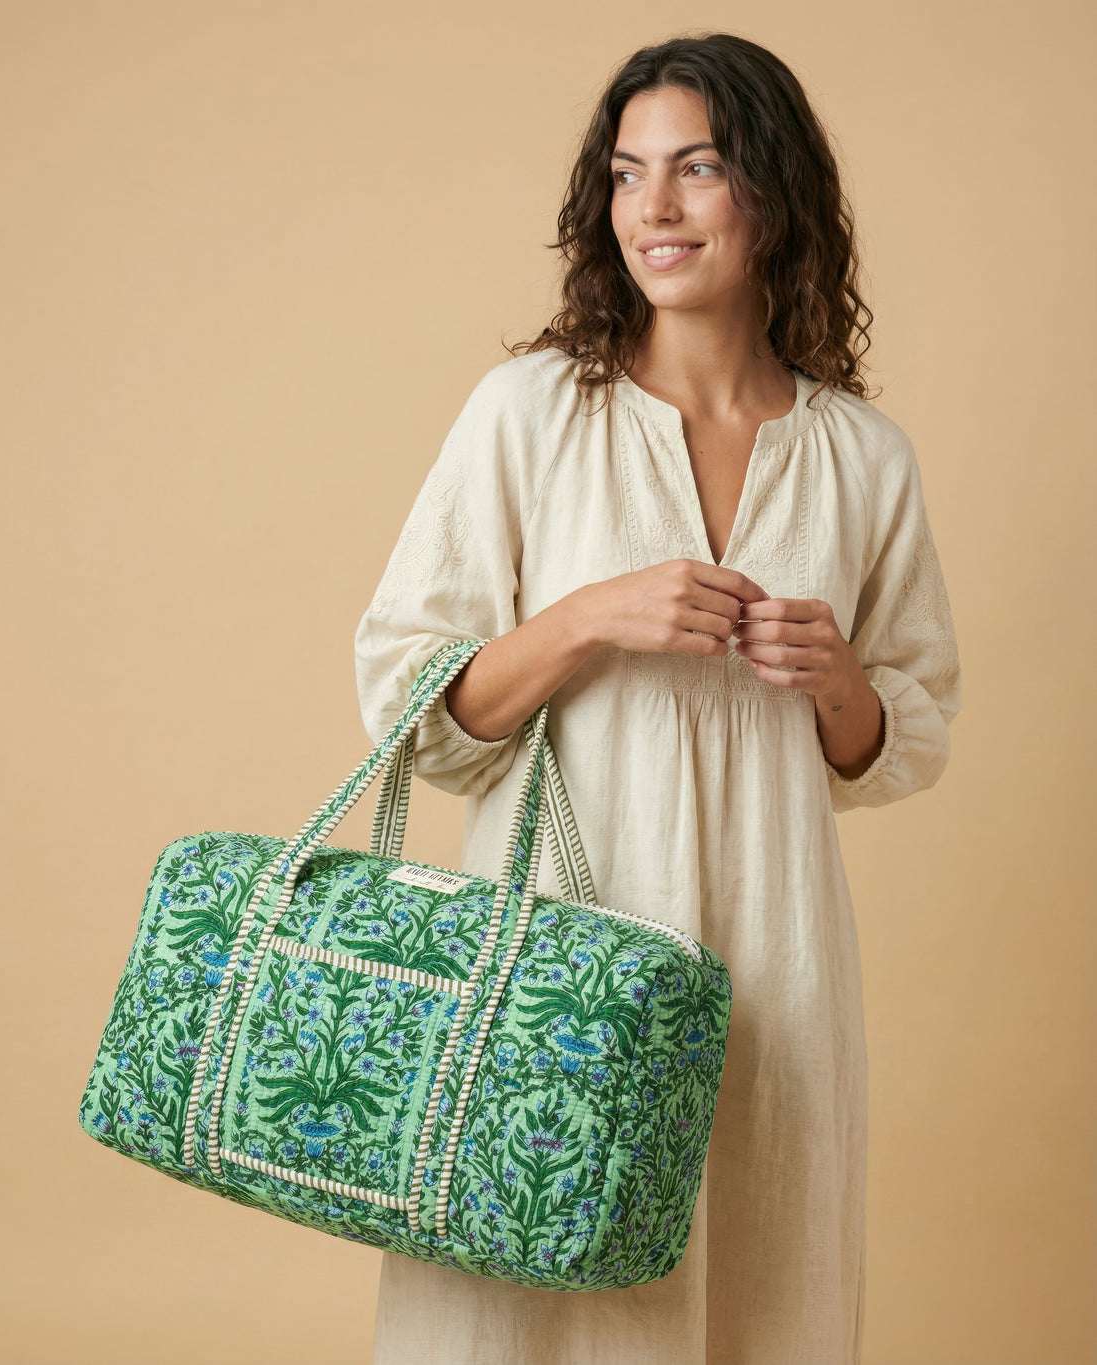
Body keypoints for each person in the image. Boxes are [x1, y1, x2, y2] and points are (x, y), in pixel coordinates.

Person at [353, 30, 960, 1365]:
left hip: (775, 956)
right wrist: (585, 619)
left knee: (756, 1270)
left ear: (774, 190)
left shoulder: (863, 457)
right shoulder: (530, 413)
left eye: (698, 167)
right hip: (556, 950)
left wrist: (840, 683)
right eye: (628, 174)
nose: (655, 209)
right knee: (525, 1288)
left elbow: (901, 735)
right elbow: (412, 701)